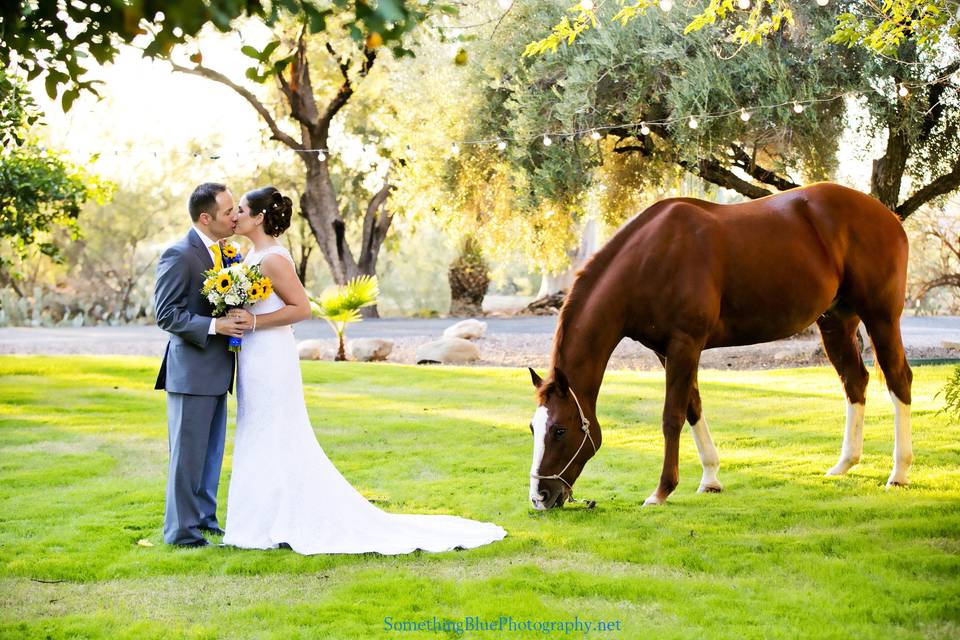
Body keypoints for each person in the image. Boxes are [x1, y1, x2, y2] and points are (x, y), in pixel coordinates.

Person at [222, 186, 506, 554]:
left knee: (274, 428)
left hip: (271, 354)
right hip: (254, 356)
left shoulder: (274, 259)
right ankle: (260, 518)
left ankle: (278, 520)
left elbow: (302, 309)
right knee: (256, 428)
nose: (235, 216)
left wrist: (254, 322)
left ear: (259, 217)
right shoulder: (248, 256)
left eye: (241, 210)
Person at [154, 183, 253, 547]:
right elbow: (166, 315)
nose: (234, 216)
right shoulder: (179, 254)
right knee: (187, 458)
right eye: (228, 211)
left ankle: (206, 520)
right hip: (190, 373)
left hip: (218, 371)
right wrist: (217, 326)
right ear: (205, 217)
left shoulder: (227, 253)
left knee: (210, 456)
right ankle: (181, 533)